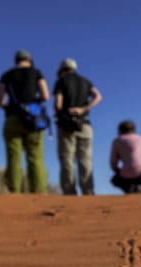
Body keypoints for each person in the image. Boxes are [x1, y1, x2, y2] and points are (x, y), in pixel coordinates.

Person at [0, 49, 50, 193]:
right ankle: (39, 194)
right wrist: (34, 103)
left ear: (16, 61)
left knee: (14, 158)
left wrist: (10, 108)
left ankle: (15, 194)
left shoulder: (6, 75)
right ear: (29, 60)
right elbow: (46, 96)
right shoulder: (36, 72)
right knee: (36, 158)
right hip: (33, 118)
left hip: (12, 118)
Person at [53, 58, 102, 195]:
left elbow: (58, 103)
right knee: (85, 159)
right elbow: (98, 96)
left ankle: (69, 192)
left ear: (62, 70)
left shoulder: (61, 81)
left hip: (67, 125)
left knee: (67, 159)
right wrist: (84, 109)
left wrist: (58, 115)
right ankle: (88, 190)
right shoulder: (85, 81)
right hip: (85, 124)